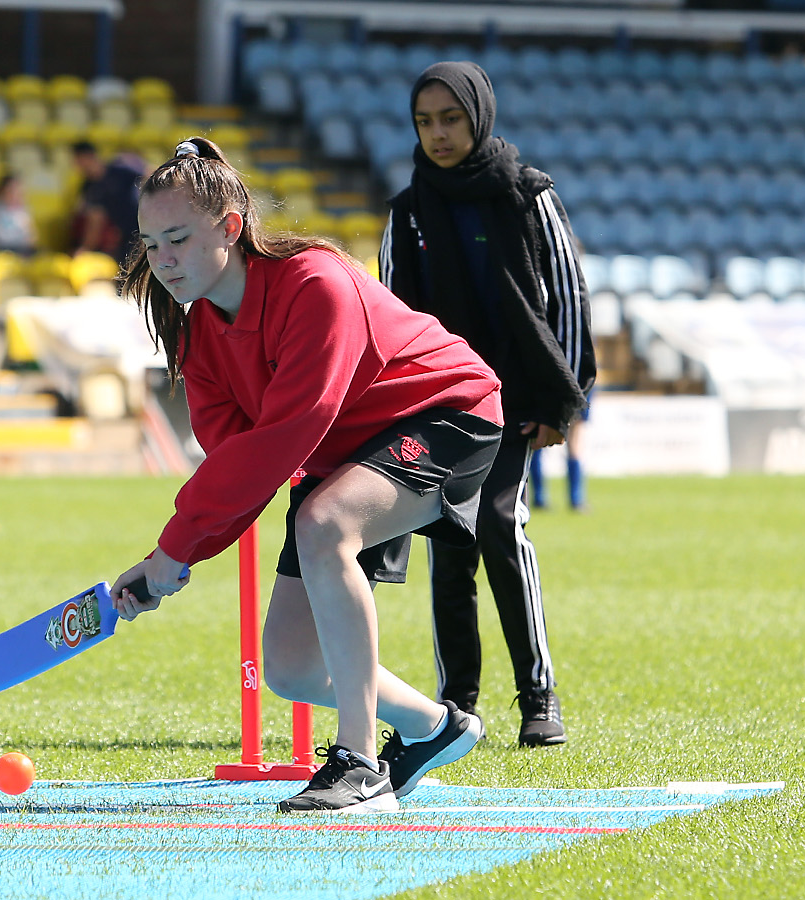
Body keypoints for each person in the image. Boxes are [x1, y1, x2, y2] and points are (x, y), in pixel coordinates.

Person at [111, 137, 505, 814]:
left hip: (449, 414)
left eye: (177, 238)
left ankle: (361, 764)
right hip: (344, 452)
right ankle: (433, 727)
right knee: (290, 665)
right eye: (152, 244)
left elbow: (289, 432)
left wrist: (174, 549)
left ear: (230, 227)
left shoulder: (315, 283)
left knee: (326, 524)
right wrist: (172, 558)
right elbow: (240, 464)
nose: (163, 260)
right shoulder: (200, 331)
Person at [378, 62, 595, 747]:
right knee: (450, 544)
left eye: (451, 118)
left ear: (479, 115)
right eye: (424, 122)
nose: (438, 134)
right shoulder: (408, 210)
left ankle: (538, 697)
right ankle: (456, 708)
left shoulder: (531, 196)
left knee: (501, 527)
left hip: (516, 400)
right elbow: (389, 314)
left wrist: (562, 400)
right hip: (438, 406)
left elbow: (568, 298)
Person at [71, 141, 146, 263]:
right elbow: (95, 220)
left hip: (146, 224)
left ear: (87, 156)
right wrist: (86, 248)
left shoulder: (120, 169)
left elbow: (151, 176)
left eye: (77, 160)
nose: (76, 165)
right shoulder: (88, 187)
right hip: (128, 236)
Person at [0, 173, 38, 257]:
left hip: (24, 250)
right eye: (12, 190)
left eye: (18, 190)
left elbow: (32, 236)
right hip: (3, 252)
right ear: (2, 191)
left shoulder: (23, 210)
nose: (16, 194)